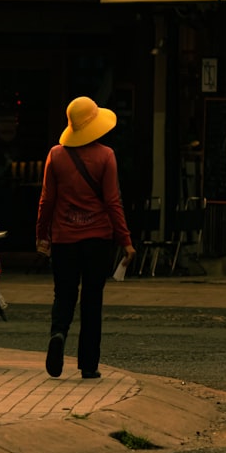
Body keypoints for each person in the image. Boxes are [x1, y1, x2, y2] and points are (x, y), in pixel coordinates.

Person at [36, 96, 136, 380]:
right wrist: (125, 240)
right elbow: (113, 201)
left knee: (64, 294)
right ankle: (88, 365)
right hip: (97, 241)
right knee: (92, 299)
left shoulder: (55, 155)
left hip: (64, 239)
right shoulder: (106, 156)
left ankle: (58, 334)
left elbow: (47, 201)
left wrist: (41, 236)